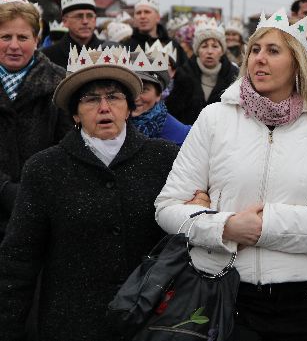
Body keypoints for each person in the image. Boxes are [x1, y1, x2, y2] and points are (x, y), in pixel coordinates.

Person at [155, 8, 307, 341]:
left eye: (273, 51)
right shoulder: (214, 120)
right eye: (255, 49)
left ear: (297, 64)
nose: (259, 58)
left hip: (302, 301)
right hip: (223, 290)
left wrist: (266, 225)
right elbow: (167, 208)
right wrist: (224, 227)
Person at [0, 45, 179, 340]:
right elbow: (19, 259)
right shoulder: (45, 168)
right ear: (75, 113)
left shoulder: (163, 159)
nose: (104, 107)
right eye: (91, 99)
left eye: (114, 97)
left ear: (129, 106)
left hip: (147, 323)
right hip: (71, 325)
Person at [0, 0, 71, 241]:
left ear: (37, 39)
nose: (14, 45)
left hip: (43, 207)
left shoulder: (60, 82)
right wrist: (5, 190)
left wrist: (36, 190)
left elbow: (68, 144)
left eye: (23, 37)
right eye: (5, 37)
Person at [165, 17, 238, 125]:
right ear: (197, 50)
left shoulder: (233, 76)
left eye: (215, 46)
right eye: (204, 46)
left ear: (222, 50)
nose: (209, 51)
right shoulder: (183, 74)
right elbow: (173, 112)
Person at [130, 43, 191, 145]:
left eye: (144, 90)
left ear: (158, 95)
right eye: (132, 88)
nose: (136, 97)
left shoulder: (179, 135)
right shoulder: (112, 126)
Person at [41, 0, 117, 68]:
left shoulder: (111, 51)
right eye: (79, 16)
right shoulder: (48, 56)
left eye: (90, 16)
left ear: (95, 20)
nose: (85, 21)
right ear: (65, 21)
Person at [122, 0, 187, 67]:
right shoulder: (126, 46)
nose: (142, 16)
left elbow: (184, 73)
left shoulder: (173, 45)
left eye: (147, 12)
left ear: (158, 17)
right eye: (138, 13)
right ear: (134, 18)